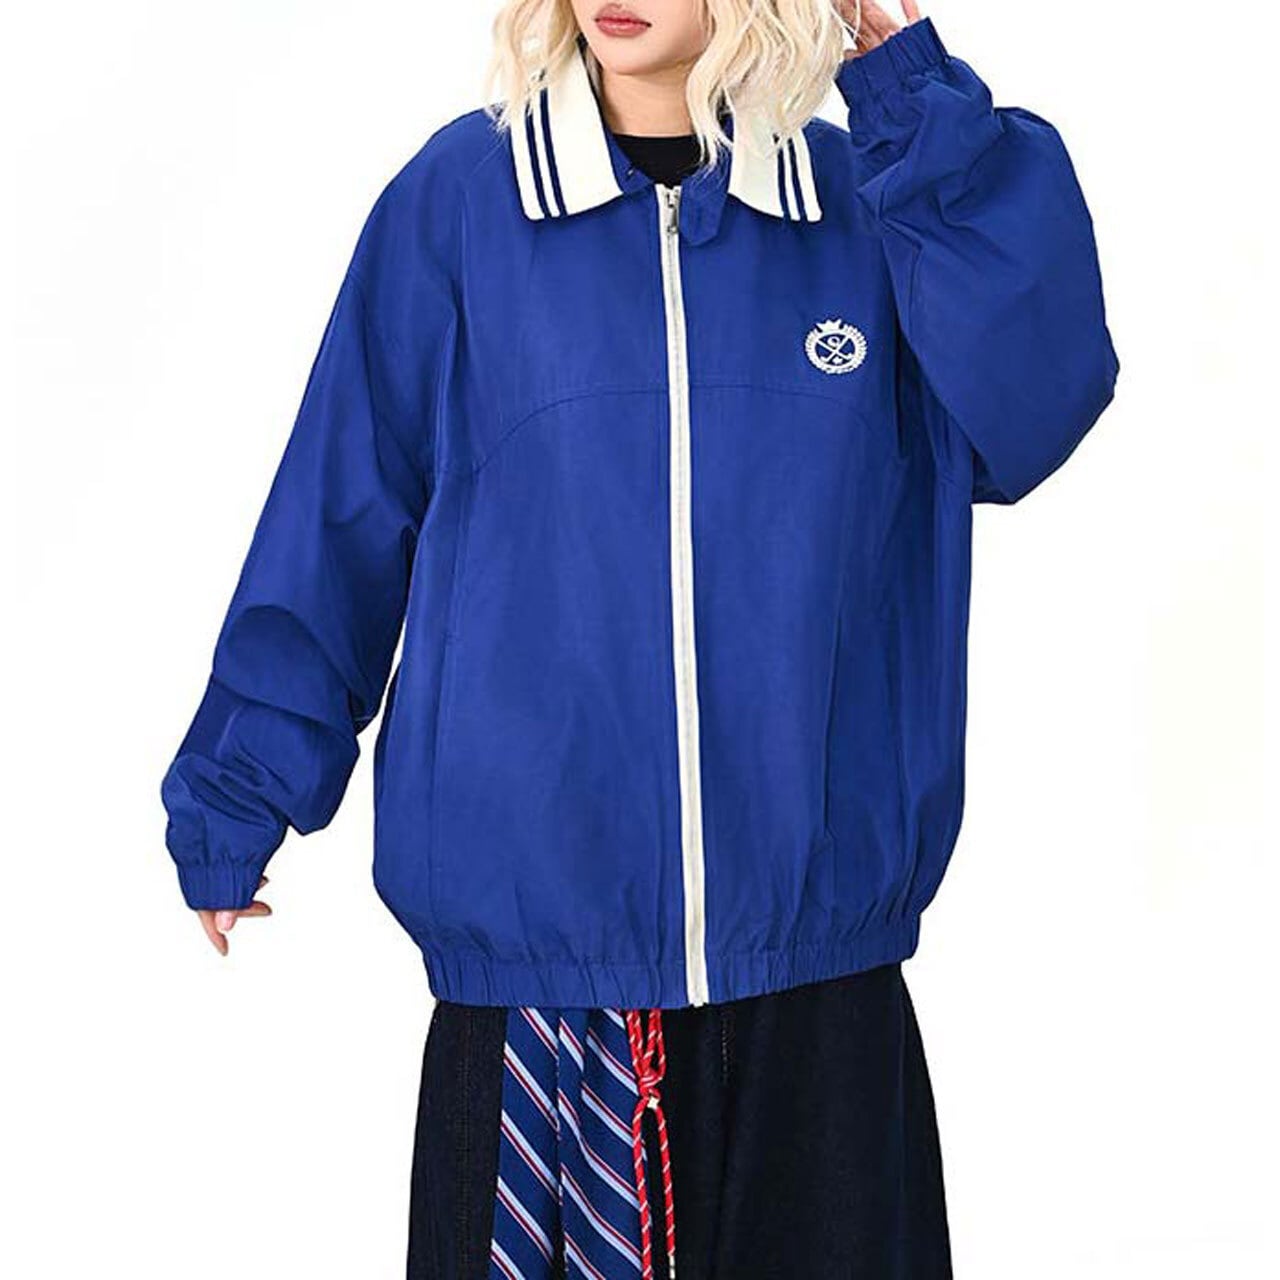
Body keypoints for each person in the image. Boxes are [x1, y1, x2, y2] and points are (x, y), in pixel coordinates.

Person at [160, 1, 1118, 1275]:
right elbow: (342, 509)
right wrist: (240, 787)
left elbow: (1036, 404)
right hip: (541, 996)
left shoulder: (867, 208)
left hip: (817, 989)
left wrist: (907, 103)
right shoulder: (461, 203)